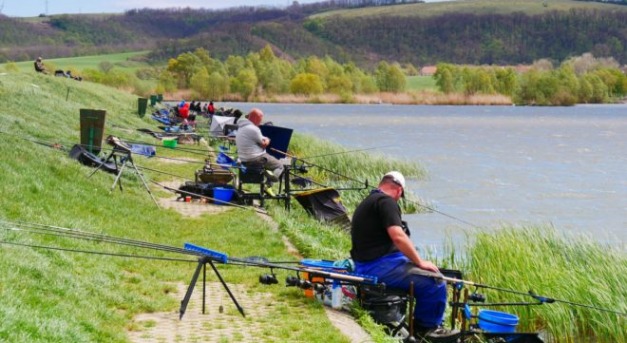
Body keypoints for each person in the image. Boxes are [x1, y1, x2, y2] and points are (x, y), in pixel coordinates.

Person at [350, 171, 460, 342]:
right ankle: (426, 329)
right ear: (399, 191)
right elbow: (398, 236)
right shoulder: (386, 202)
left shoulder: (369, 201)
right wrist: (420, 262)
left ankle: (417, 323)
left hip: (368, 263)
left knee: (430, 273)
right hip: (379, 266)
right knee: (435, 282)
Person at [235, 108, 284, 189]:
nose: (260, 122)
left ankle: (268, 178)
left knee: (271, 162)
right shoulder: (254, 129)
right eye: (260, 119)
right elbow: (264, 144)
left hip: (243, 159)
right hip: (256, 158)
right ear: (255, 118)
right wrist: (267, 140)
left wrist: (263, 139)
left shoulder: (242, 127)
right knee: (279, 166)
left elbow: (257, 138)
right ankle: (268, 185)